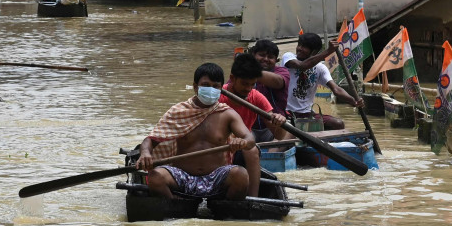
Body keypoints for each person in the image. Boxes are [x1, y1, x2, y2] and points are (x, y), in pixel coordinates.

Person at [135, 63, 257, 201]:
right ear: (195, 86)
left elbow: (250, 138)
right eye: (206, 85)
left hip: (217, 177)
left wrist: (242, 142)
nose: (211, 89)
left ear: (221, 89)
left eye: (216, 86)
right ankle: (176, 205)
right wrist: (145, 153)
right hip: (182, 176)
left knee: (241, 175)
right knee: (155, 177)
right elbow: (150, 140)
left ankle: (222, 210)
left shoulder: (228, 114)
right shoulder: (179, 111)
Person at [281, 32, 358, 130]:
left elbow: (336, 89)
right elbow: (302, 66)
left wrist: (354, 100)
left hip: (307, 114)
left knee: (338, 124)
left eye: (304, 47)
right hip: (286, 113)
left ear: (314, 52)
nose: (299, 48)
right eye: (299, 44)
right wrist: (328, 51)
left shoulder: (320, 68)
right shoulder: (288, 57)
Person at [220, 52, 288, 144]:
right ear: (232, 78)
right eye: (244, 84)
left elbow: (279, 136)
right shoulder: (218, 95)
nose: (248, 89)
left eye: (252, 84)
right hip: (220, 145)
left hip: (242, 146)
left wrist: (279, 123)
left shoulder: (256, 97)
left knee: (251, 149)